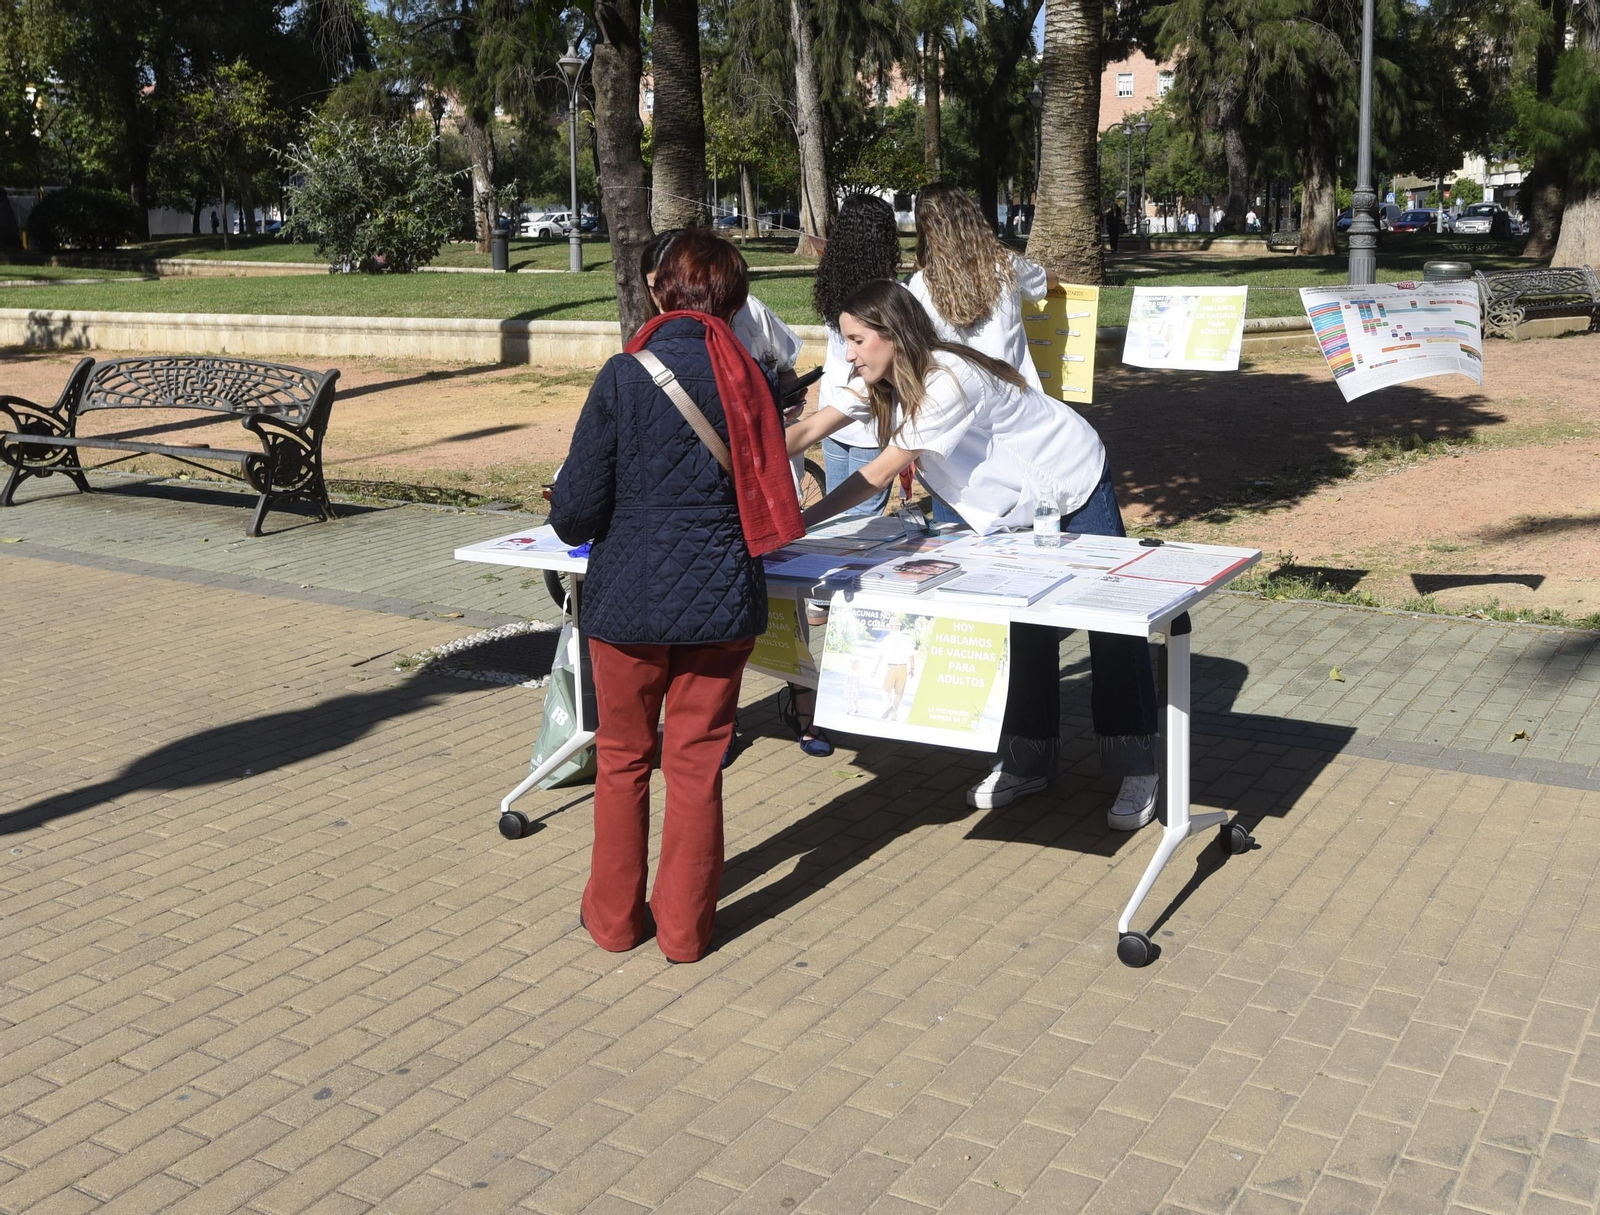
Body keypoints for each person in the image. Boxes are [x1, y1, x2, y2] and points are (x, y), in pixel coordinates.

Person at [783, 279, 1161, 828]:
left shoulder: (947, 379)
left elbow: (879, 473)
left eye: (858, 340)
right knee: (1016, 625)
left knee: (1112, 626)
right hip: (1008, 513)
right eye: (845, 340)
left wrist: (796, 524)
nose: (848, 353)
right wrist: (737, 453)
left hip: (1071, 485)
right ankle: (1028, 760)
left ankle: (1136, 766)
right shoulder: (878, 375)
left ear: (893, 335)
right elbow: (812, 427)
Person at [550, 228, 802, 963]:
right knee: (696, 763)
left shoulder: (625, 376)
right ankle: (687, 930)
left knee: (625, 758)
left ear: (665, 289)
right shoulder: (751, 377)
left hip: (628, 601)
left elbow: (574, 511)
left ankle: (615, 919)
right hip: (723, 600)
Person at [641, 229, 833, 759]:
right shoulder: (655, 335)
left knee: (782, 595)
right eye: (653, 286)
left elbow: (791, 375)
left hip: (763, 478)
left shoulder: (752, 314)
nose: (659, 296)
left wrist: (787, 406)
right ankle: (714, 726)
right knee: (709, 616)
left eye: (666, 282)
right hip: (699, 498)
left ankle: (802, 703)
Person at [907, 182, 1056, 394]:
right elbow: (1046, 282)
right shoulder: (1007, 264)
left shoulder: (919, 284)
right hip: (1014, 392)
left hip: (957, 396)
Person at [811, 193, 903, 519]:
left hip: (832, 411)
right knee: (861, 524)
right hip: (870, 414)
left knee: (839, 518)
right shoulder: (891, 295)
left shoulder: (828, 285)